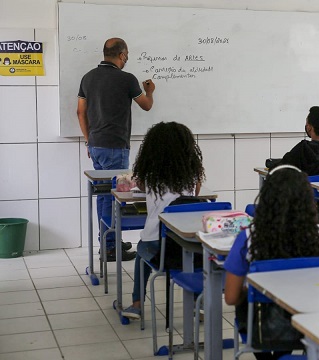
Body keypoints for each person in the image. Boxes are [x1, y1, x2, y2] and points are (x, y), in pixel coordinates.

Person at [224, 165, 319, 360]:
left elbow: (231, 298)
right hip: (307, 326)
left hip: (261, 328)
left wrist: (252, 291)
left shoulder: (249, 238)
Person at [77, 37, 156, 261]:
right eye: (127, 54)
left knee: (103, 196)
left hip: (96, 146)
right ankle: (111, 246)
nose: (127, 57)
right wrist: (149, 90)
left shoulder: (88, 77)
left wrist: (88, 140)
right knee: (115, 197)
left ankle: (108, 242)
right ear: (122, 55)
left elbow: (80, 112)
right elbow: (146, 105)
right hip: (116, 147)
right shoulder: (127, 79)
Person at [121, 122, 205, 319]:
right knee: (192, 263)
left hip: (159, 249)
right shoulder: (192, 176)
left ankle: (137, 304)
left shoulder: (150, 176)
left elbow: (140, 185)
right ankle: (196, 303)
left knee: (141, 252)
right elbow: (194, 195)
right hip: (189, 246)